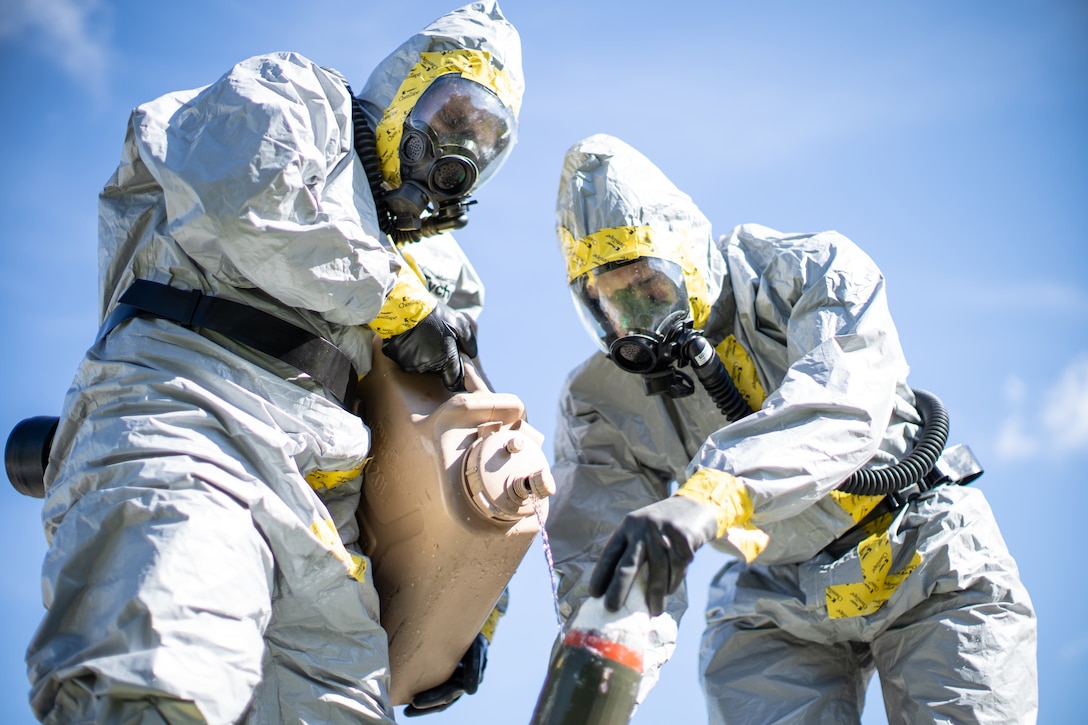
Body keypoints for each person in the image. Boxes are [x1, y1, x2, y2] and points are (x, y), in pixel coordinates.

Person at [24, 2, 523, 722]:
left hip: (326, 512)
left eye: (486, 138)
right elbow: (254, 203)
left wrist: (470, 605)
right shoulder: (298, 100)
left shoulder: (439, 271)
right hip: (194, 417)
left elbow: (465, 437)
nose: (462, 147)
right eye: (453, 116)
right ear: (404, 94)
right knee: (164, 672)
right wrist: (397, 304)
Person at [545, 133, 1038, 723]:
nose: (643, 318)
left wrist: (711, 495)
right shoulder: (601, 399)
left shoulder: (806, 270)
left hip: (921, 553)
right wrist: (596, 676)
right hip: (776, 598)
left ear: (689, 257)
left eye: (652, 285)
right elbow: (603, 557)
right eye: (618, 302)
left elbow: (838, 403)